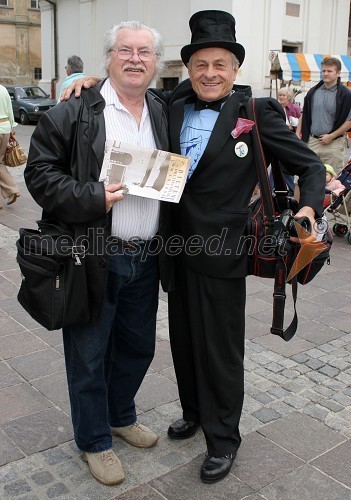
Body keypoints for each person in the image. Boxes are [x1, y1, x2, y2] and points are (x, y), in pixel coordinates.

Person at [62, 10, 325, 485]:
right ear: (188, 68)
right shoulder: (173, 103)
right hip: (175, 250)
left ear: (235, 69)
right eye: (200, 64)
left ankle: (224, 439)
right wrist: (89, 78)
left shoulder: (257, 113)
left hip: (225, 254)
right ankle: (194, 412)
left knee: (220, 350)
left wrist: (308, 210)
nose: (209, 73)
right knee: (182, 342)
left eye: (219, 64)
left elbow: (311, 167)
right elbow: (127, 84)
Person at [25, 21, 169, 486]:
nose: (134, 58)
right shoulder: (75, 110)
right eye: (124, 50)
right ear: (107, 58)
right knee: (88, 354)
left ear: (155, 63)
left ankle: (120, 415)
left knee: (137, 348)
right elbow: (39, 174)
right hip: (91, 253)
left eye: (144, 52)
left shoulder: (163, 109)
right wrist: (93, 196)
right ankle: (93, 440)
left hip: (145, 255)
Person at [296, 56, 351, 174]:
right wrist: (297, 135)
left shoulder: (346, 94)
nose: (325, 74)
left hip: (334, 144)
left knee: (332, 184)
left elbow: (349, 121)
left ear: (338, 73)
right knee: (305, 179)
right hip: (311, 142)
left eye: (329, 71)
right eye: (323, 71)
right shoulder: (313, 92)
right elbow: (304, 114)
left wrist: (331, 136)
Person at [270, 86, 302, 195]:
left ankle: (290, 188)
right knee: (277, 162)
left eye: (283, 95)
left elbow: (299, 125)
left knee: (284, 164)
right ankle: (270, 189)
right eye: (280, 95)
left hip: (291, 139)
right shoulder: (275, 107)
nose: (281, 97)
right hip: (278, 138)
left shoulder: (295, 108)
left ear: (288, 97)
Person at [0, 84, 20, 208]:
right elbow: (9, 111)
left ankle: (12, 189)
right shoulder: (3, 89)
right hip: (5, 128)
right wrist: (12, 128)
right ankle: (12, 190)